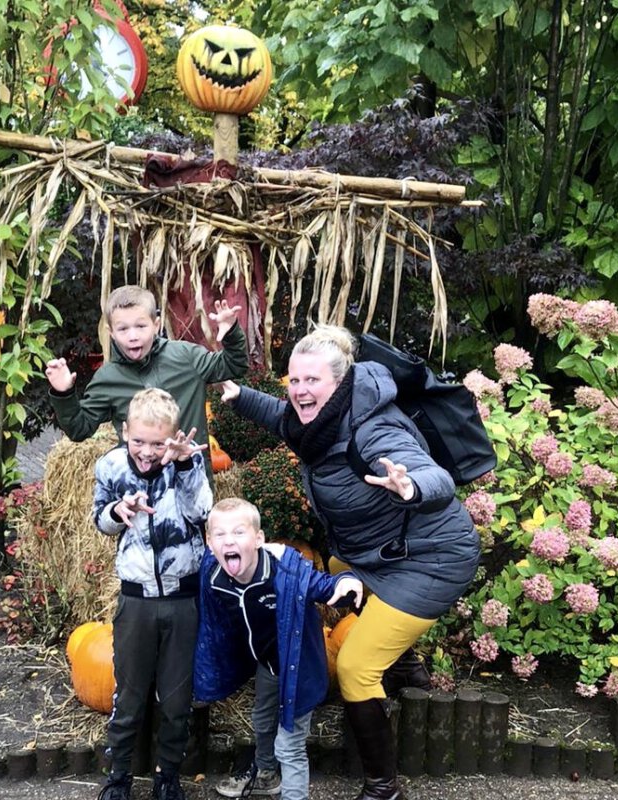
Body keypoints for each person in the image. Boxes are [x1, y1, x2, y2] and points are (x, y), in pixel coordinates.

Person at [219, 325, 481, 800]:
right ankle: (405, 667)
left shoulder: (372, 428)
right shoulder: (315, 422)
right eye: (294, 380)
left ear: (338, 383)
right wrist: (237, 395)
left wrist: (411, 487)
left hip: (432, 558)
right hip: (375, 555)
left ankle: (384, 786)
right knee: (335, 578)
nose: (300, 390)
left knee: (356, 667)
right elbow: (282, 417)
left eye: (312, 381)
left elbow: (434, 475)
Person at [193, 497, 363, 800]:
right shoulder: (213, 576)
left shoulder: (285, 572)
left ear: (258, 539)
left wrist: (346, 583)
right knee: (262, 720)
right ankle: (266, 775)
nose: (229, 540)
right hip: (268, 663)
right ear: (209, 542)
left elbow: (322, 584)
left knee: (290, 745)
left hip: (299, 668)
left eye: (239, 533)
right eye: (220, 535)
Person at [92, 388, 213, 800]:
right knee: (128, 697)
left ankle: (168, 776)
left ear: (174, 438)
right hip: (136, 599)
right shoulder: (110, 466)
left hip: (182, 598)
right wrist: (115, 513)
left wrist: (183, 465)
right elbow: (100, 518)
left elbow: (202, 513)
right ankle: (119, 776)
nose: (146, 451)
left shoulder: (186, 464)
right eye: (138, 441)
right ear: (125, 431)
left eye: (158, 443)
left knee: (177, 699)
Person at [46, 284, 248, 480]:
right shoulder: (107, 379)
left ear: (156, 324)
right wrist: (63, 394)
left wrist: (230, 333)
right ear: (111, 332)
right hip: (138, 490)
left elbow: (234, 365)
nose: (133, 336)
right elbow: (79, 429)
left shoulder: (186, 357)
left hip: (189, 483)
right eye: (123, 329)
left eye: (141, 326)